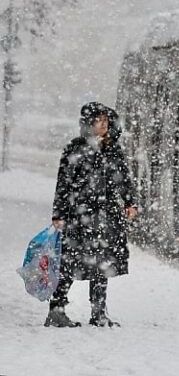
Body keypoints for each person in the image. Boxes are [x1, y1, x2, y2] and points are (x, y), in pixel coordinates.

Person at [45, 102, 138, 328]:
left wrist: (130, 202)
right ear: (88, 123)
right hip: (79, 216)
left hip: (106, 217)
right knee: (69, 263)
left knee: (102, 264)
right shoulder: (75, 149)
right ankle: (56, 310)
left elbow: (124, 180)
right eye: (99, 120)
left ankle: (99, 312)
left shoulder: (114, 151)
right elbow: (64, 184)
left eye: (106, 121)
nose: (104, 124)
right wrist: (59, 214)